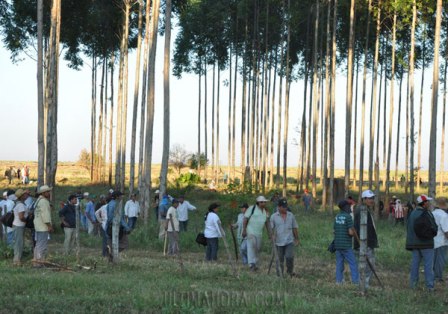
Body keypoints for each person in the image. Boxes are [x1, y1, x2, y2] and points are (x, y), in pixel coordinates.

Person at [406, 194, 437, 291]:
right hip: (427, 244)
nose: (429, 203)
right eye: (427, 201)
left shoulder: (412, 214)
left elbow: (408, 228)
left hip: (414, 244)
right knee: (428, 266)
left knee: (415, 265)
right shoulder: (427, 213)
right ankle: (430, 286)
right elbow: (434, 228)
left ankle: (413, 285)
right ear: (424, 203)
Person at [353, 189, 378, 289]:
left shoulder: (366, 210)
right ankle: (364, 285)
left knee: (369, 264)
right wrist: (361, 244)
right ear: (363, 199)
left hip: (367, 243)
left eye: (372, 198)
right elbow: (358, 229)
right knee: (367, 265)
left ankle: (364, 284)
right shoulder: (361, 211)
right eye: (369, 198)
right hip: (364, 244)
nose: (371, 200)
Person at [270, 199, 299, 277]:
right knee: (279, 260)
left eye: (286, 207)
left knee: (289, 257)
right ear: (279, 207)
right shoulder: (273, 217)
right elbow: (270, 229)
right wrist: (272, 236)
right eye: (283, 207)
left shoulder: (291, 215)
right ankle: (280, 274)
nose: (285, 208)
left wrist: (296, 238)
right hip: (278, 242)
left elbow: (294, 227)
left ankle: (290, 272)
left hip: (289, 240)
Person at [334, 200, 359, 285]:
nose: (350, 208)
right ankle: (355, 282)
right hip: (346, 245)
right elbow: (351, 232)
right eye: (349, 206)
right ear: (345, 207)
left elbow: (334, 231)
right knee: (353, 263)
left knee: (339, 264)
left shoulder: (337, 216)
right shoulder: (348, 217)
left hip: (337, 244)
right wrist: (356, 237)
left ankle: (338, 281)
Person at [242, 195, 269, 271]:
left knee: (257, 248)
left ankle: (255, 263)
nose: (263, 203)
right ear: (258, 203)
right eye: (261, 202)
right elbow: (245, 219)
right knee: (251, 247)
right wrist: (244, 230)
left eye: (264, 202)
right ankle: (251, 265)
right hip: (250, 231)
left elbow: (267, 222)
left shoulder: (265, 211)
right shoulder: (252, 209)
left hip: (259, 233)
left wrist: (269, 233)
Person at [33, 185, 54, 264]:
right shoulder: (44, 202)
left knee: (38, 244)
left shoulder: (38, 200)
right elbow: (46, 215)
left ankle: (36, 260)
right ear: (44, 193)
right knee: (42, 245)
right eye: (48, 192)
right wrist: (49, 226)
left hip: (38, 225)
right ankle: (39, 262)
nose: (49, 193)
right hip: (43, 226)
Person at [432, 197, 448, 283]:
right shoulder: (444, 215)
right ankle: (438, 278)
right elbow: (446, 230)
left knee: (433, 259)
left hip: (432, 240)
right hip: (441, 241)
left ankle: (433, 276)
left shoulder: (432, 213)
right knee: (440, 260)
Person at [12, 189, 30, 265]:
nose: (25, 195)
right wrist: (27, 220)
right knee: (19, 243)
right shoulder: (21, 205)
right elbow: (21, 217)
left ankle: (17, 259)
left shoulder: (19, 204)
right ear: (21, 196)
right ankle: (17, 260)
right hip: (19, 225)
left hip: (17, 225)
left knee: (18, 242)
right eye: (24, 194)